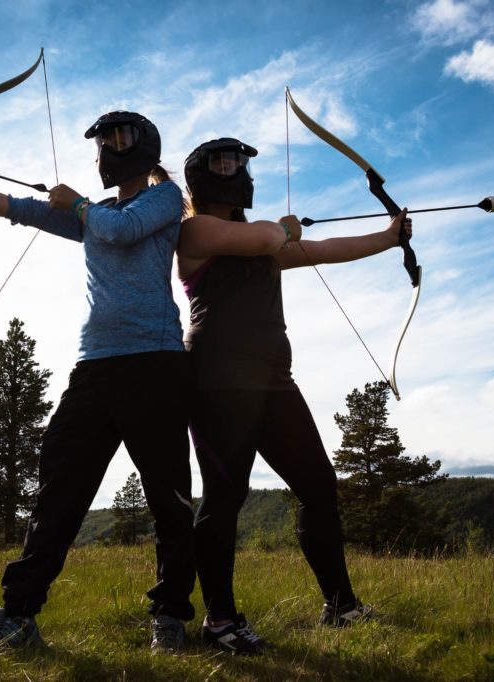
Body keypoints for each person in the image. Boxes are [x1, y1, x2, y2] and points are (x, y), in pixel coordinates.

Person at [0, 112, 195, 652]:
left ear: (144, 144)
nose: (111, 145)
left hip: (156, 364)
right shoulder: (93, 213)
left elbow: (123, 228)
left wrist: (80, 205)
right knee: (60, 490)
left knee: (169, 498)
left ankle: (170, 616)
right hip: (96, 367)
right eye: (104, 139)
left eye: (119, 136)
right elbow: (16, 209)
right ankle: (18, 614)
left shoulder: (164, 198)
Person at [177, 137, 411, 655]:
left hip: (272, 379)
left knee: (319, 487)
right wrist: (281, 229)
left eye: (237, 160)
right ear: (201, 174)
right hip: (218, 379)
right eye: (222, 161)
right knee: (224, 499)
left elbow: (327, 250)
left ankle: (341, 605)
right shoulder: (195, 230)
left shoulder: (265, 244)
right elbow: (268, 238)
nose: (232, 168)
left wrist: (390, 237)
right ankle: (220, 620)